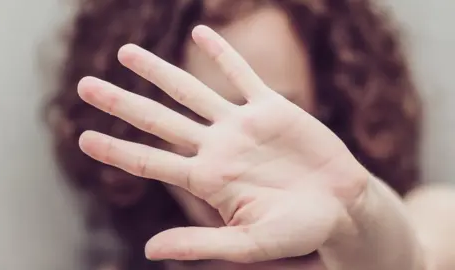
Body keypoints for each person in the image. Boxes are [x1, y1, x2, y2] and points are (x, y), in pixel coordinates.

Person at [46, 0, 455, 269]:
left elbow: (415, 254)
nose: (233, 155)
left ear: (325, 108)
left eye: (274, 114)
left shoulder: (433, 215)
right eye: (196, 113)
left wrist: (356, 212)